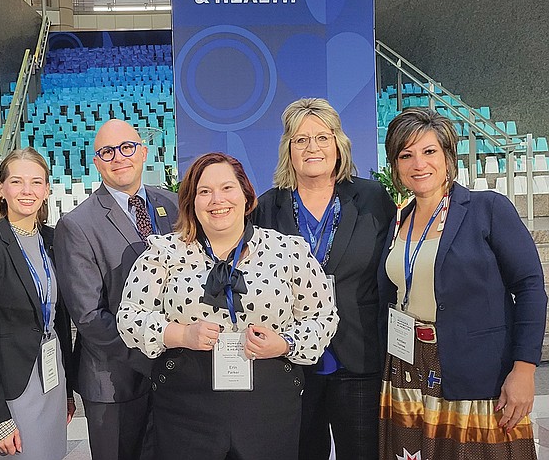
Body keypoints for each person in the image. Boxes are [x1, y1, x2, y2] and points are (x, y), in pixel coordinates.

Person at [118, 152, 339, 460]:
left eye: (226, 188)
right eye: (204, 191)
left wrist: (286, 342)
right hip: (186, 407)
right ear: (191, 202)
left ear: (246, 196)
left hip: (270, 405)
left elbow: (322, 316)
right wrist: (180, 335)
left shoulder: (287, 251)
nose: (216, 200)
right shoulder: (163, 252)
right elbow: (130, 316)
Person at [379, 107, 546, 459]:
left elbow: (530, 286)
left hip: (478, 371)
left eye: (429, 152)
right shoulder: (399, 220)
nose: (418, 164)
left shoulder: (487, 209)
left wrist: (524, 369)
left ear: (448, 156)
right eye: (405, 155)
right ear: (395, 165)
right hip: (409, 368)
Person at [253, 98, 395, 460]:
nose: (312, 147)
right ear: (288, 149)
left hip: (358, 358)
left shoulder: (373, 199)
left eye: (321, 137)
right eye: (300, 140)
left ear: (338, 144)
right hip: (291, 363)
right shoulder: (267, 208)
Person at [54, 119, 178, 460]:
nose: (118, 157)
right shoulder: (77, 225)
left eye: (127, 148)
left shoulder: (177, 204)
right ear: (96, 162)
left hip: (178, 378)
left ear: (143, 152)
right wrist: (158, 351)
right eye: (107, 152)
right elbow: (90, 316)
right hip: (117, 380)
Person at [0, 147, 75, 460]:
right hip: (13, 387)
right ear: (1, 189)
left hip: (53, 379)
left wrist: (68, 389)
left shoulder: (54, 240)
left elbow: (60, 319)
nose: (27, 191)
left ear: (47, 190)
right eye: (17, 182)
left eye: (36, 182)